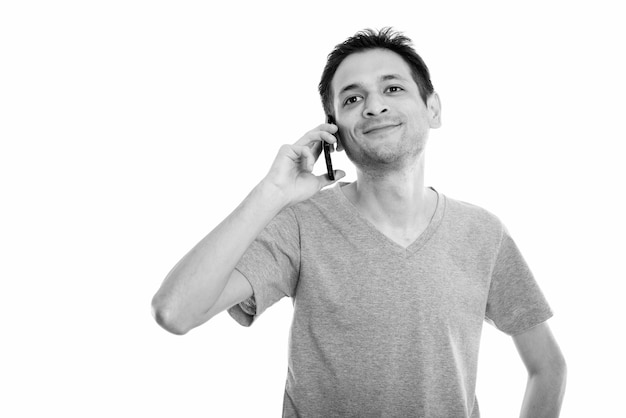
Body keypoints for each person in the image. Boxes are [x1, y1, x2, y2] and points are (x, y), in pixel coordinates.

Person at [151, 27, 567, 417]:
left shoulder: (483, 233)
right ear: (334, 131)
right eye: (352, 99)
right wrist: (271, 193)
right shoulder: (300, 225)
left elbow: (547, 367)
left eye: (393, 88)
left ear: (433, 108)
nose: (374, 105)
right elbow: (175, 312)